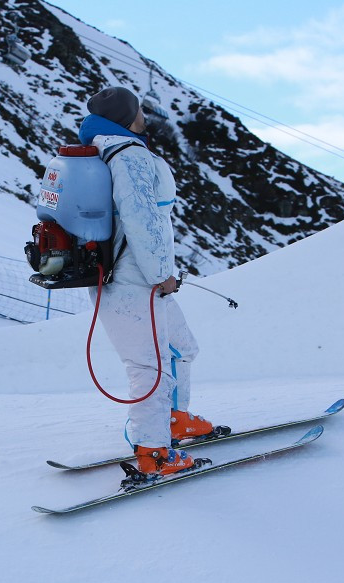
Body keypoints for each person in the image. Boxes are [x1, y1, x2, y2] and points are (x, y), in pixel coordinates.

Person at [78, 87, 217, 477]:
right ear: (127, 117)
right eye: (139, 110)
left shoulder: (106, 150)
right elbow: (141, 219)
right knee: (150, 367)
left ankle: (173, 419)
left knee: (181, 347)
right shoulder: (130, 156)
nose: (145, 115)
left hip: (131, 276)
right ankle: (153, 452)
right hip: (136, 280)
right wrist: (161, 275)